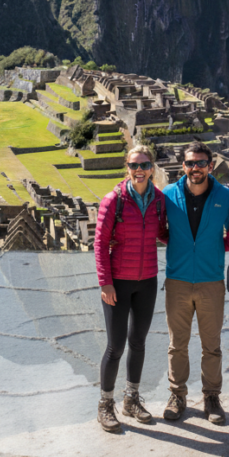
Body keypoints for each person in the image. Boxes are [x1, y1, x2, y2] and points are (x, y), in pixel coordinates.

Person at [159, 141, 229, 425]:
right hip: (178, 280)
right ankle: (177, 395)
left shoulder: (224, 197)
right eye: (191, 163)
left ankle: (212, 397)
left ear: (210, 166)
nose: (196, 168)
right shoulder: (168, 195)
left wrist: (214, 251)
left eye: (201, 163)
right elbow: (159, 230)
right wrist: (183, 248)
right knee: (177, 344)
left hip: (210, 281)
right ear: (184, 166)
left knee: (211, 345)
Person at [94, 145, 167, 433]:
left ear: (152, 168)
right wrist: (105, 282)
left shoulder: (159, 200)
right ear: (127, 168)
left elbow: (163, 233)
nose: (140, 170)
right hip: (119, 282)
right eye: (135, 165)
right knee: (115, 346)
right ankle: (105, 404)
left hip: (147, 279)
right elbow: (100, 243)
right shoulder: (114, 201)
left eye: (145, 165)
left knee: (138, 342)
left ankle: (131, 399)